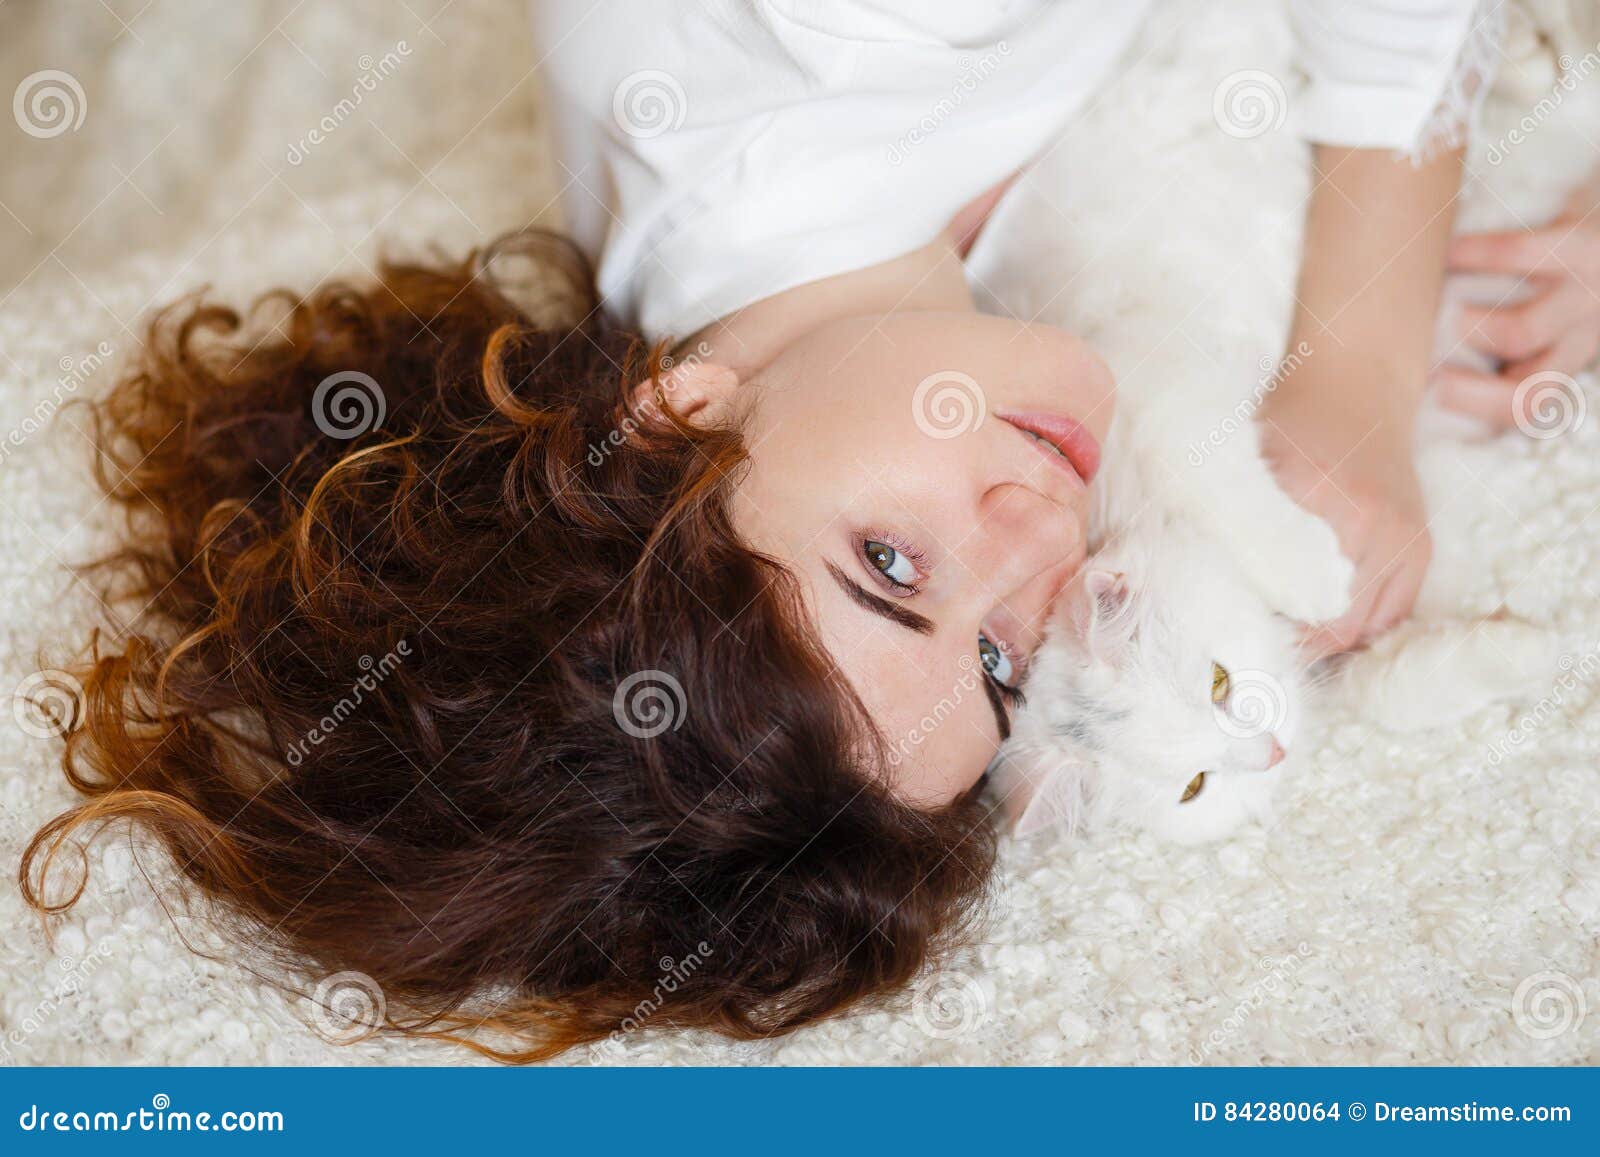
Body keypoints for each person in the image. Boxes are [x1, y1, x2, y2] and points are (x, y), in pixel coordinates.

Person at [27, 0, 1590, 1060]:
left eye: (889, 564)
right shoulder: (783, 321)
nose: (1037, 538)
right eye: (990, 658)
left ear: (675, 420)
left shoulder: (835, 29)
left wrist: (1364, 373)